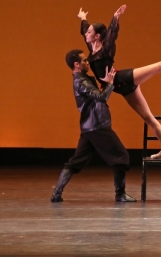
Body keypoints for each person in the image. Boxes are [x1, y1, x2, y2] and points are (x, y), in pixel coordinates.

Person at [78, 5, 161, 159]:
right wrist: (83, 18)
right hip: (121, 89)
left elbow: (112, 33)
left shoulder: (106, 49)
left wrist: (116, 17)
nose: (86, 33)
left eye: (89, 32)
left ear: (97, 36)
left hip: (122, 78)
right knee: (148, 117)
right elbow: (84, 29)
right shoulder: (91, 46)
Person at [51, 50, 136, 203]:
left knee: (76, 161)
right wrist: (110, 84)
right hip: (97, 126)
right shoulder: (81, 82)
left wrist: (104, 84)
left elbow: (96, 96)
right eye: (84, 61)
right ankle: (120, 194)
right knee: (121, 156)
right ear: (77, 64)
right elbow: (101, 97)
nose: (87, 63)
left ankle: (56, 194)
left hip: (89, 127)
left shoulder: (84, 79)